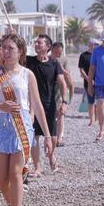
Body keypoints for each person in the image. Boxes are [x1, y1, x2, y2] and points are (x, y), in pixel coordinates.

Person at [0, 33, 53, 206]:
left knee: (15, 173)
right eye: (3, 47)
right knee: (2, 180)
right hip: (0, 126)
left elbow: (37, 105)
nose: (5, 51)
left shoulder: (27, 74)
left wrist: (47, 135)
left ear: (20, 51)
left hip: (21, 127)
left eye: (10, 48)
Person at [26, 34, 66, 175]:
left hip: (50, 105)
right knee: (35, 136)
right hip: (33, 105)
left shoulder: (54, 63)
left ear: (48, 46)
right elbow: (17, 50)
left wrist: (64, 102)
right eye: (36, 43)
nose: (37, 45)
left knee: (53, 138)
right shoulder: (28, 61)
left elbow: (62, 83)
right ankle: (38, 167)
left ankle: (50, 156)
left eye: (40, 43)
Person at [50, 41, 73, 147]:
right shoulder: (47, 58)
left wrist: (59, 66)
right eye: (56, 52)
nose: (58, 55)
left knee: (60, 114)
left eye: (60, 53)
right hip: (50, 89)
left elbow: (67, 74)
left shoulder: (64, 60)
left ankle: (59, 138)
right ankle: (51, 137)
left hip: (60, 89)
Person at [78, 38, 97, 126]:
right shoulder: (83, 56)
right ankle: (92, 119)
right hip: (88, 82)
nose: (96, 46)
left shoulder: (98, 55)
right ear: (90, 45)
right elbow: (81, 70)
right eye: (94, 44)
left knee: (100, 100)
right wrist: (89, 79)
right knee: (91, 101)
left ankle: (98, 118)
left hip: (99, 81)